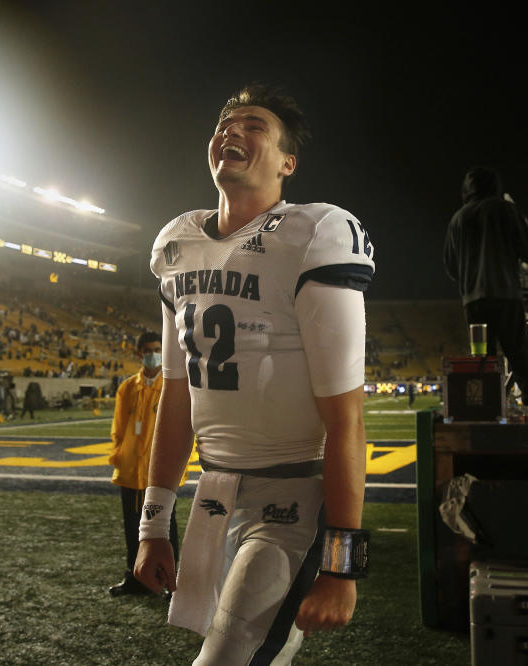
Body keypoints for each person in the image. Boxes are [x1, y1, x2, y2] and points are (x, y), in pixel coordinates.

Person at [135, 84, 374, 664]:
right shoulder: (175, 244)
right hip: (213, 495)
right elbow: (176, 394)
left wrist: (343, 564)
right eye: (225, 124)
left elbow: (346, 416)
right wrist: (154, 521)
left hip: (294, 496)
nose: (231, 131)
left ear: (288, 163)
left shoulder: (314, 234)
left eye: (253, 125)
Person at [442, 167, 528, 415]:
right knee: (518, 351)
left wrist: (469, 279)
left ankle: (483, 407)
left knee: (481, 359)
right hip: (505, 293)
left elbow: (450, 265)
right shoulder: (503, 208)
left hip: (473, 301)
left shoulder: (457, 218)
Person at [108, 330, 182, 597]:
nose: (153, 354)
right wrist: (119, 454)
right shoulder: (127, 387)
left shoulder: (171, 386)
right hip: (130, 470)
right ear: (139, 353)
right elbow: (118, 427)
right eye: (148, 349)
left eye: (156, 349)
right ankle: (135, 577)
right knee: (132, 525)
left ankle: (170, 583)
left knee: (164, 526)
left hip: (158, 471)